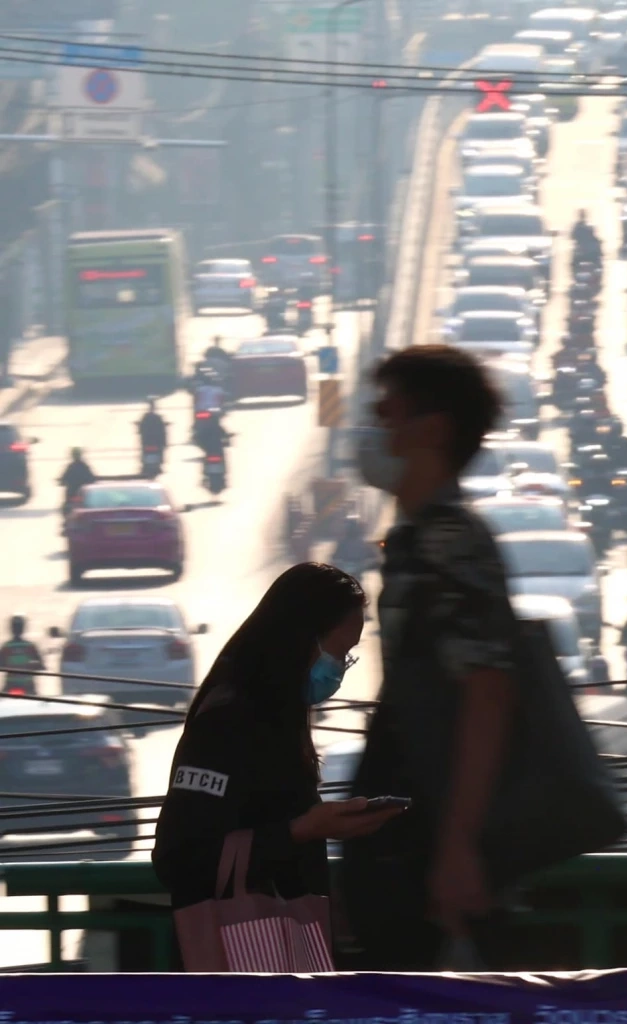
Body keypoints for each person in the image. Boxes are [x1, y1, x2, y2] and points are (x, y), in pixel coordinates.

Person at [343, 345, 520, 971]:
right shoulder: (420, 536)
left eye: (388, 414)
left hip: (424, 850)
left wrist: (457, 848)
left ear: (433, 429)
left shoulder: (447, 541)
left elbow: (487, 691)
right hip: (403, 836)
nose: (374, 430)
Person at [152, 563, 405, 967]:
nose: (340, 667)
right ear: (299, 640)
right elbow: (180, 858)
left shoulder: (276, 716)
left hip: (288, 947)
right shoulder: (228, 721)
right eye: (340, 652)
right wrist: (304, 829)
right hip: (240, 962)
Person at [0, 615, 44, 695]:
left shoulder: (6, 646)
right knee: (36, 702)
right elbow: (40, 664)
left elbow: (1, 663)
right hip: (27, 684)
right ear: (23, 628)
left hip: (11, 683)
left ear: (11, 629)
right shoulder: (30, 646)